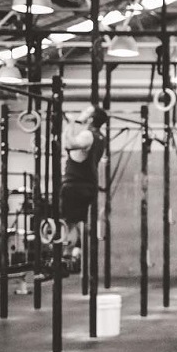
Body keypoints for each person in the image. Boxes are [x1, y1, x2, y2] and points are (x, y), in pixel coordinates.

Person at [61, 103, 107, 256]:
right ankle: (79, 253)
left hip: (75, 186)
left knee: (69, 223)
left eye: (86, 113)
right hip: (88, 185)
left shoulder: (88, 135)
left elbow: (69, 143)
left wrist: (69, 124)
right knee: (82, 223)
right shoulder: (100, 137)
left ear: (90, 119)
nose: (83, 113)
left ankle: (67, 255)